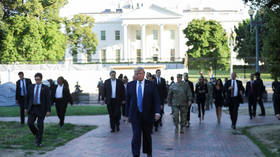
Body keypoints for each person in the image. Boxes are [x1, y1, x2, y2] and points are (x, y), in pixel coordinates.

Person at [125, 67, 161, 157]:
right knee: (136, 135)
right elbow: (127, 101)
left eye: (140, 73)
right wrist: (126, 115)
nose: (138, 75)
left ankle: (148, 152)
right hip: (135, 115)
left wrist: (157, 112)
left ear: (144, 74)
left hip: (148, 115)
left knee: (147, 135)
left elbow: (156, 99)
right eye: (136, 74)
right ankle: (135, 154)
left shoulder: (151, 84)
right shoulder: (130, 85)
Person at [26, 73, 51, 147]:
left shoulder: (45, 88)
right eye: (36, 79)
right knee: (30, 123)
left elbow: (48, 100)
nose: (37, 81)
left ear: (41, 79)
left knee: (40, 124)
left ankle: (39, 141)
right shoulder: (31, 87)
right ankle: (37, 134)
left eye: (38, 79)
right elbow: (27, 98)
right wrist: (26, 107)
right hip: (32, 108)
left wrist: (48, 110)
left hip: (41, 109)